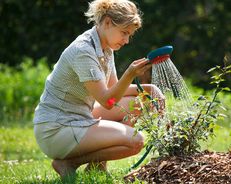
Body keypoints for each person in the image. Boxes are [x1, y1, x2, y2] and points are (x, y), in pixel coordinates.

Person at [33, 0, 164, 178]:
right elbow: (108, 101)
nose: (126, 41)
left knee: (138, 103)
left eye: (129, 36)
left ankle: (97, 166)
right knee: (136, 141)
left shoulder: (105, 48)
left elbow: (113, 89)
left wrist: (150, 90)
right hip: (56, 129)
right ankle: (68, 162)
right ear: (108, 22)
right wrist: (130, 74)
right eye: (124, 33)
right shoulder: (83, 51)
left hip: (78, 116)